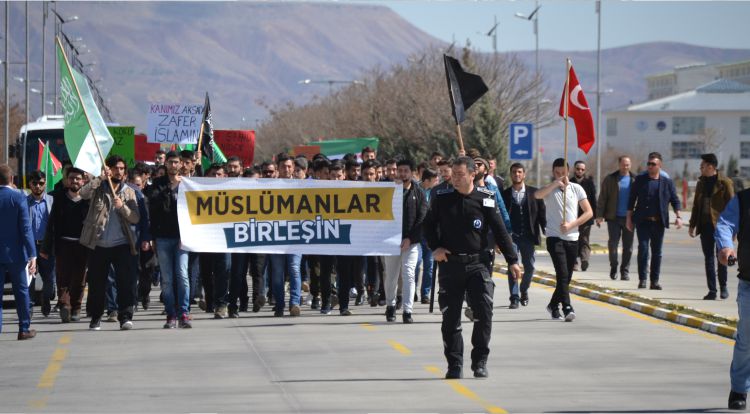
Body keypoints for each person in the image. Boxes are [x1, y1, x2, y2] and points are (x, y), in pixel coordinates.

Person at [424, 156, 521, 379]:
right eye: (452, 174)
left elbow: (500, 231)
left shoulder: (486, 199)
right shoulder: (441, 197)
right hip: (450, 265)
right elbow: (427, 225)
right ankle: (454, 364)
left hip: (478, 264)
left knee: (484, 313)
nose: (454, 179)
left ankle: (480, 361)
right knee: (451, 318)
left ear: (472, 175)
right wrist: (435, 247)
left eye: (459, 175)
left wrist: (513, 260)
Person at [79, 155, 141, 331]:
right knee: (97, 284)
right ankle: (96, 317)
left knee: (125, 283)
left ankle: (125, 316)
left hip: (122, 244)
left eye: (122, 169)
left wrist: (123, 207)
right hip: (99, 243)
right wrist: (100, 178)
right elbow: (82, 194)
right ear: (109, 169)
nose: (119, 172)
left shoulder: (129, 192)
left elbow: (135, 218)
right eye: (116, 168)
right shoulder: (99, 188)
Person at [534, 158, 593, 321]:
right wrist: (555, 183)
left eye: (563, 173)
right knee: (562, 273)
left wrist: (572, 224)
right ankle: (567, 307)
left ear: (569, 172)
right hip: (554, 237)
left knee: (567, 277)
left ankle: (553, 304)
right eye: (557, 173)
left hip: (572, 237)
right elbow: (537, 195)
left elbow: (589, 212)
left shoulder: (576, 189)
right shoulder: (550, 189)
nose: (561, 176)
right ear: (553, 173)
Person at [145, 151, 192, 329]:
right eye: (170, 162)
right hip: (163, 237)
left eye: (176, 162)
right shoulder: (157, 184)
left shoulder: (187, 185)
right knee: (167, 279)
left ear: (181, 164)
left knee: (182, 275)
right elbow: (153, 209)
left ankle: (184, 313)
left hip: (183, 238)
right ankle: (171, 314)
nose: (173, 165)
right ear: (166, 165)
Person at [626, 152, 682, 290]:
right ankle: (643, 279)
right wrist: (629, 219)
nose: (650, 166)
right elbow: (631, 200)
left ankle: (654, 281)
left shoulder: (666, 182)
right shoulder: (640, 180)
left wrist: (678, 216)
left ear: (660, 165)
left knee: (657, 252)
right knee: (643, 250)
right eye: (649, 164)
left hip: (658, 222)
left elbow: (674, 200)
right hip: (642, 221)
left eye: (653, 164)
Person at [716, 187, 750, 410]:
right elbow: (725, 224)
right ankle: (739, 388)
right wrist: (726, 246)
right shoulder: (744, 199)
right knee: (747, 340)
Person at [41, 167, 90, 323]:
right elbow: (51, 224)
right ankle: (65, 306)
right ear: (66, 180)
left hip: (82, 245)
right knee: (62, 278)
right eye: (71, 178)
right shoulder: (59, 198)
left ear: (83, 181)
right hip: (63, 244)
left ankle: (76, 307)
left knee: (79, 279)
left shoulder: (88, 199)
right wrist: (46, 248)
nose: (74, 181)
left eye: (78, 178)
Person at [384, 159, 427, 323]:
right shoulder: (388, 190)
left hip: (412, 243)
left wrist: (410, 238)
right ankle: (390, 306)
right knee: (391, 277)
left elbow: (422, 218)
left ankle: (408, 311)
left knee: (409, 274)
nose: (402, 174)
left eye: (405, 171)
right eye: (399, 171)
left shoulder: (419, 192)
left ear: (412, 173)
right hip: (390, 242)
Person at [689, 153, 734, 300]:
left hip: (722, 227)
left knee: (722, 257)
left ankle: (723, 287)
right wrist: (692, 225)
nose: (700, 168)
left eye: (702, 165)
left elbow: (732, 207)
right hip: (705, 225)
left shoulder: (725, 183)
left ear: (711, 166)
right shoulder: (701, 183)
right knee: (708, 258)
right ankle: (712, 290)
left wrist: (733, 229)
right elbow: (696, 205)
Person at [0, 164, 37, 340]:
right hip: (16, 254)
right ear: (12, 179)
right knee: (21, 291)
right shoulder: (18, 198)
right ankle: (23, 328)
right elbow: (25, 228)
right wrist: (33, 254)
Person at [502, 163, 546, 308]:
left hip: (528, 236)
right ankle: (514, 297)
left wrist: (547, 230)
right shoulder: (505, 194)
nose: (517, 174)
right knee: (513, 267)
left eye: (520, 172)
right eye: (514, 172)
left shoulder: (535, 193)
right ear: (511, 175)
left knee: (530, 267)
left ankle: (524, 290)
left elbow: (541, 214)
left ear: (524, 174)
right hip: (511, 237)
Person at [268, 153, 303, 317]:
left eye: (289, 166)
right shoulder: (268, 187)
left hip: (296, 235)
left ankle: (295, 303)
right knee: (277, 273)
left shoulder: (303, 186)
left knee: (295, 269)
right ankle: (280, 305)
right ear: (278, 168)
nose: (287, 169)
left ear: (294, 168)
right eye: (283, 166)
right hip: (275, 236)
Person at [596, 156, 635, 280]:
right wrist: (599, 215)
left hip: (629, 218)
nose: (625, 167)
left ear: (630, 165)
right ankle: (614, 267)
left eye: (628, 164)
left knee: (628, 247)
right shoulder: (610, 179)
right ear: (619, 165)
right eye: (623, 164)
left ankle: (625, 271)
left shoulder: (635, 179)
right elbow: (602, 198)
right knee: (613, 245)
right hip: (613, 218)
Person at [27, 170, 56, 316]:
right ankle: (30, 306)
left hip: (47, 245)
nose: (38, 186)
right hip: (30, 246)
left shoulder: (51, 201)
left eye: (41, 183)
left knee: (49, 279)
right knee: (29, 278)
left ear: (45, 184)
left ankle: (46, 299)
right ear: (30, 184)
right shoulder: (24, 202)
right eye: (34, 183)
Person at [569, 160, 597, 271]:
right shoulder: (569, 182)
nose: (580, 171)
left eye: (582, 169)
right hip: (572, 217)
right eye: (578, 169)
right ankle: (574, 262)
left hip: (586, 217)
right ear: (574, 169)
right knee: (573, 240)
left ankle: (584, 259)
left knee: (584, 239)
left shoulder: (589, 183)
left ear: (584, 171)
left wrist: (595, 216)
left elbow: (593, 201)